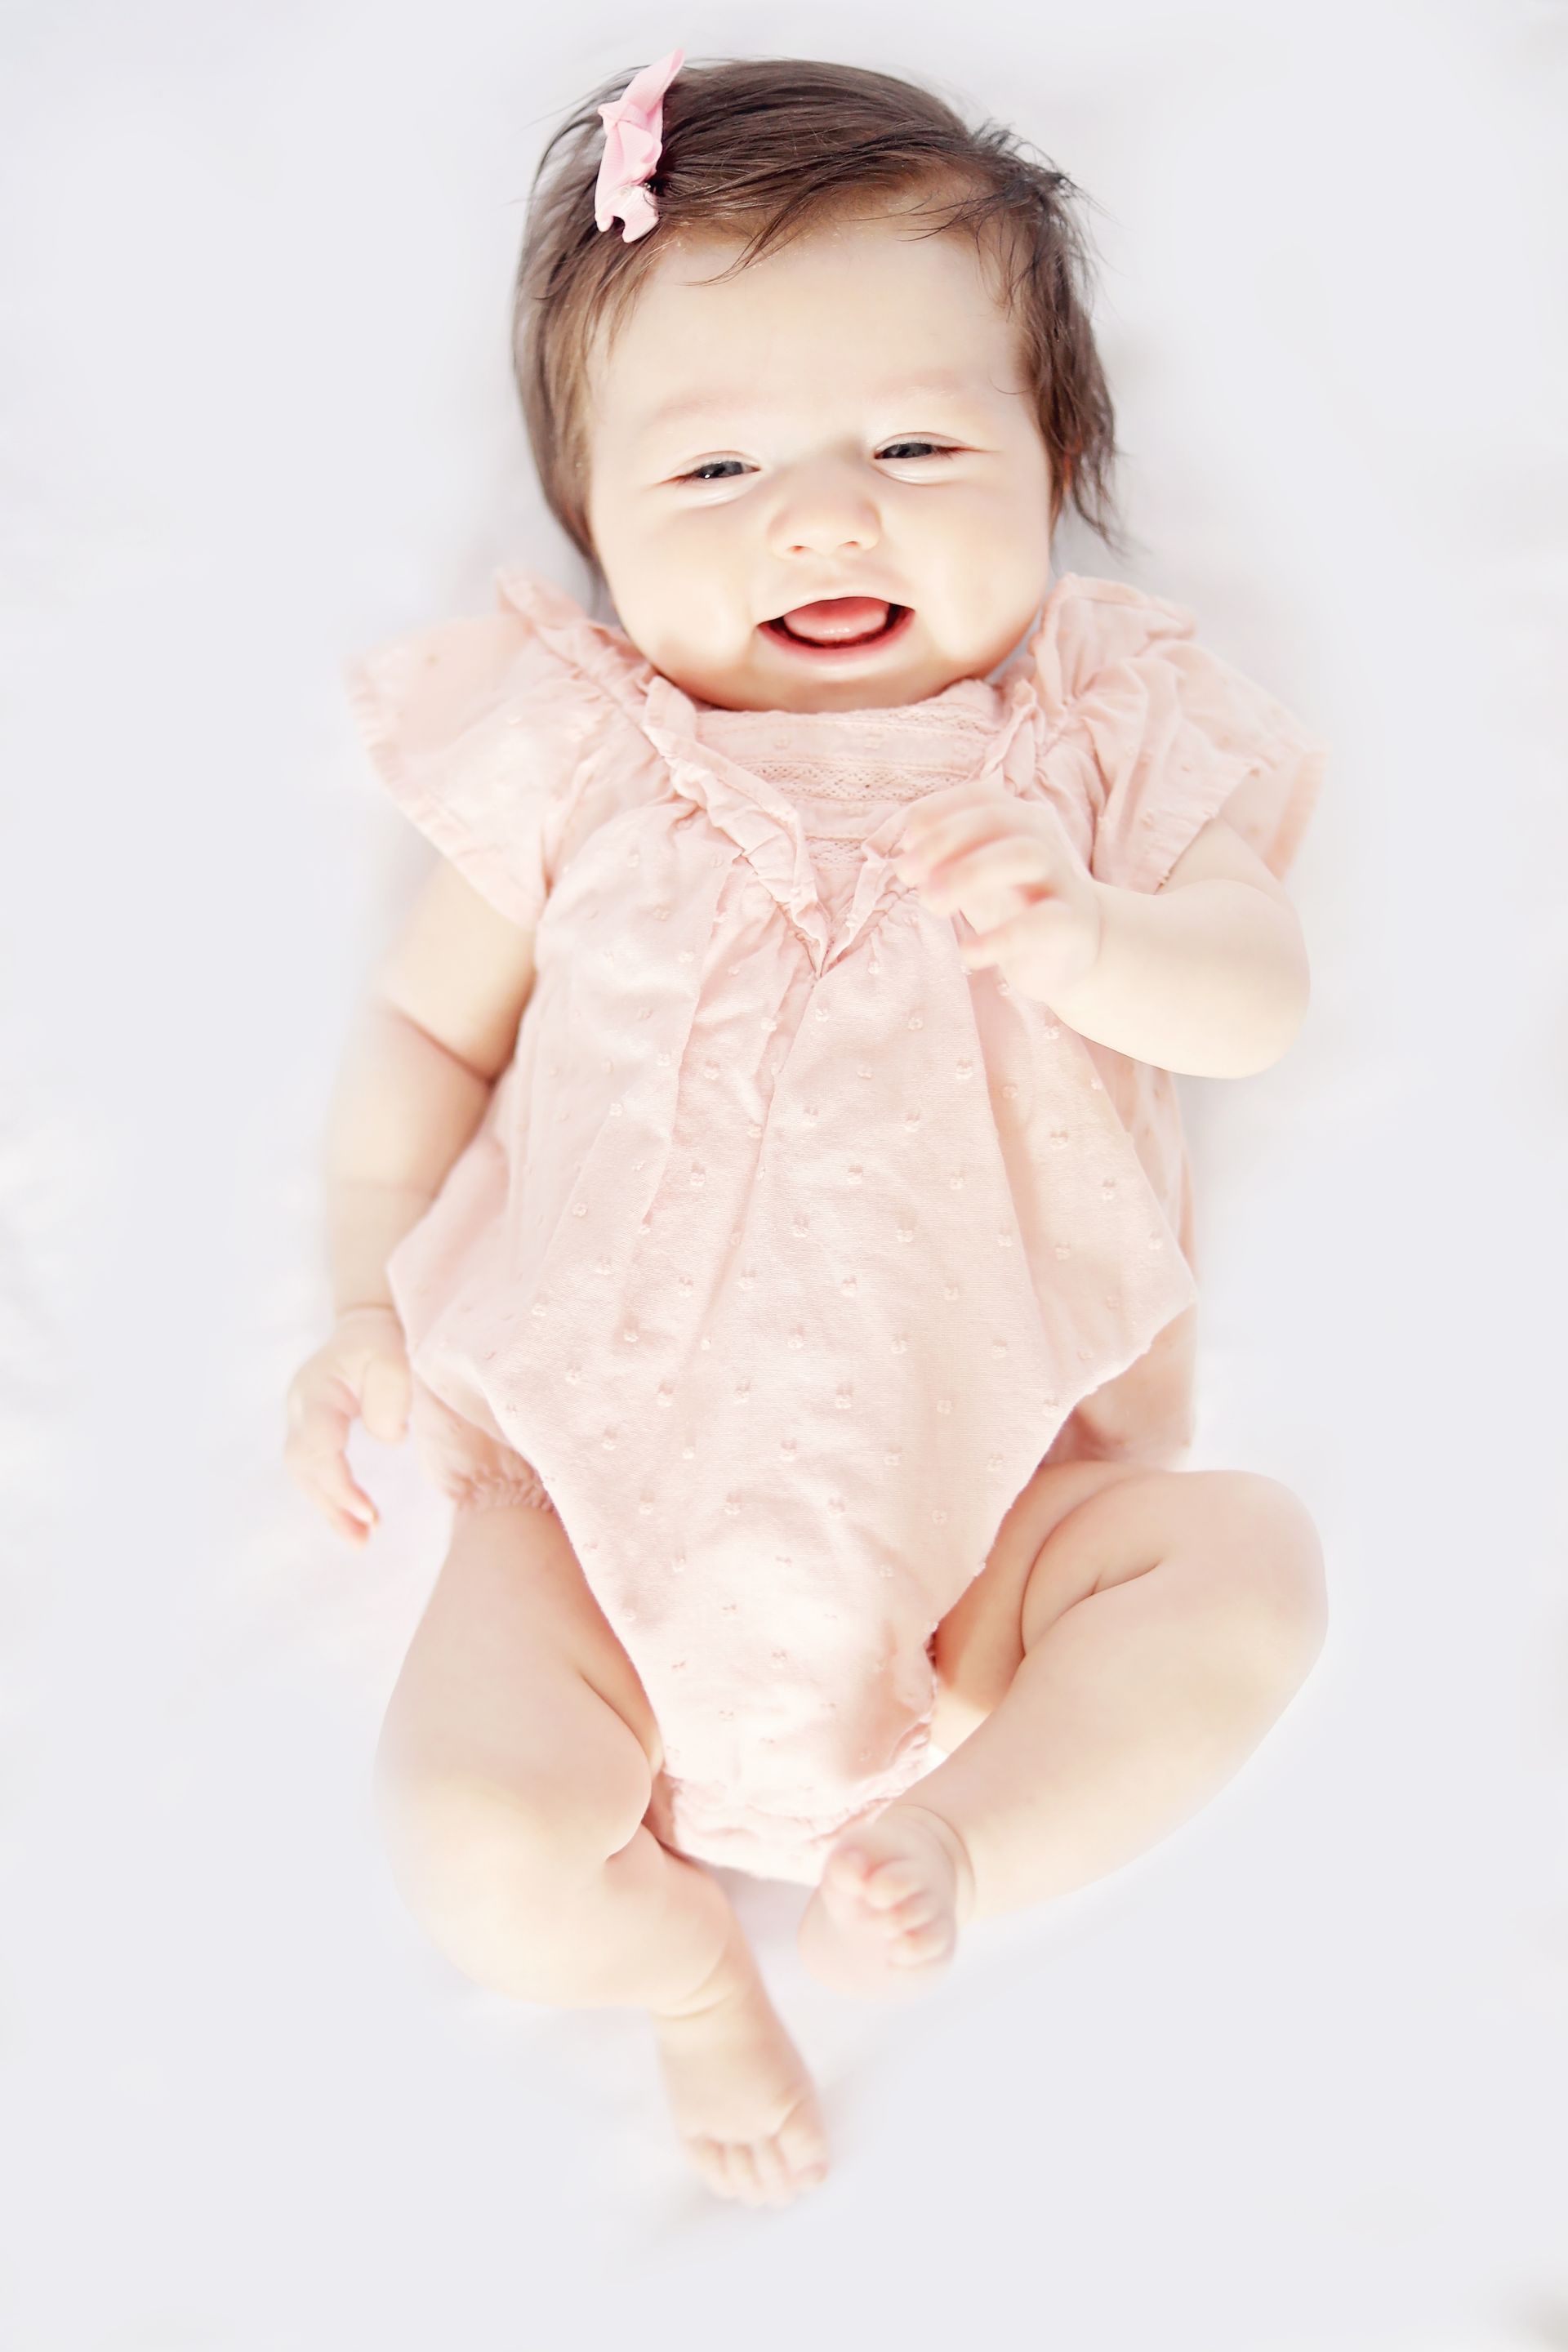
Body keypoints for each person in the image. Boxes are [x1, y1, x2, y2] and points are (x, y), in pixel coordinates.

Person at [284, 49, 1330, 2209]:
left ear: (1058, 469)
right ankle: (681, 1973)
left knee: (1250, 1572)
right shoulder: (582, 762)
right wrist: (354, 1301)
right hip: (586, 1522)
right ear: (589, 528)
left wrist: (1096, 944)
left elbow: (1255, 994)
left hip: (1001, 1531)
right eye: (719, 469)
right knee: (470, 1847)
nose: (824, 516)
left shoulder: (1103, 746)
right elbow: (417, 1043)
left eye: (920, 444)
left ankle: (972, 1822)